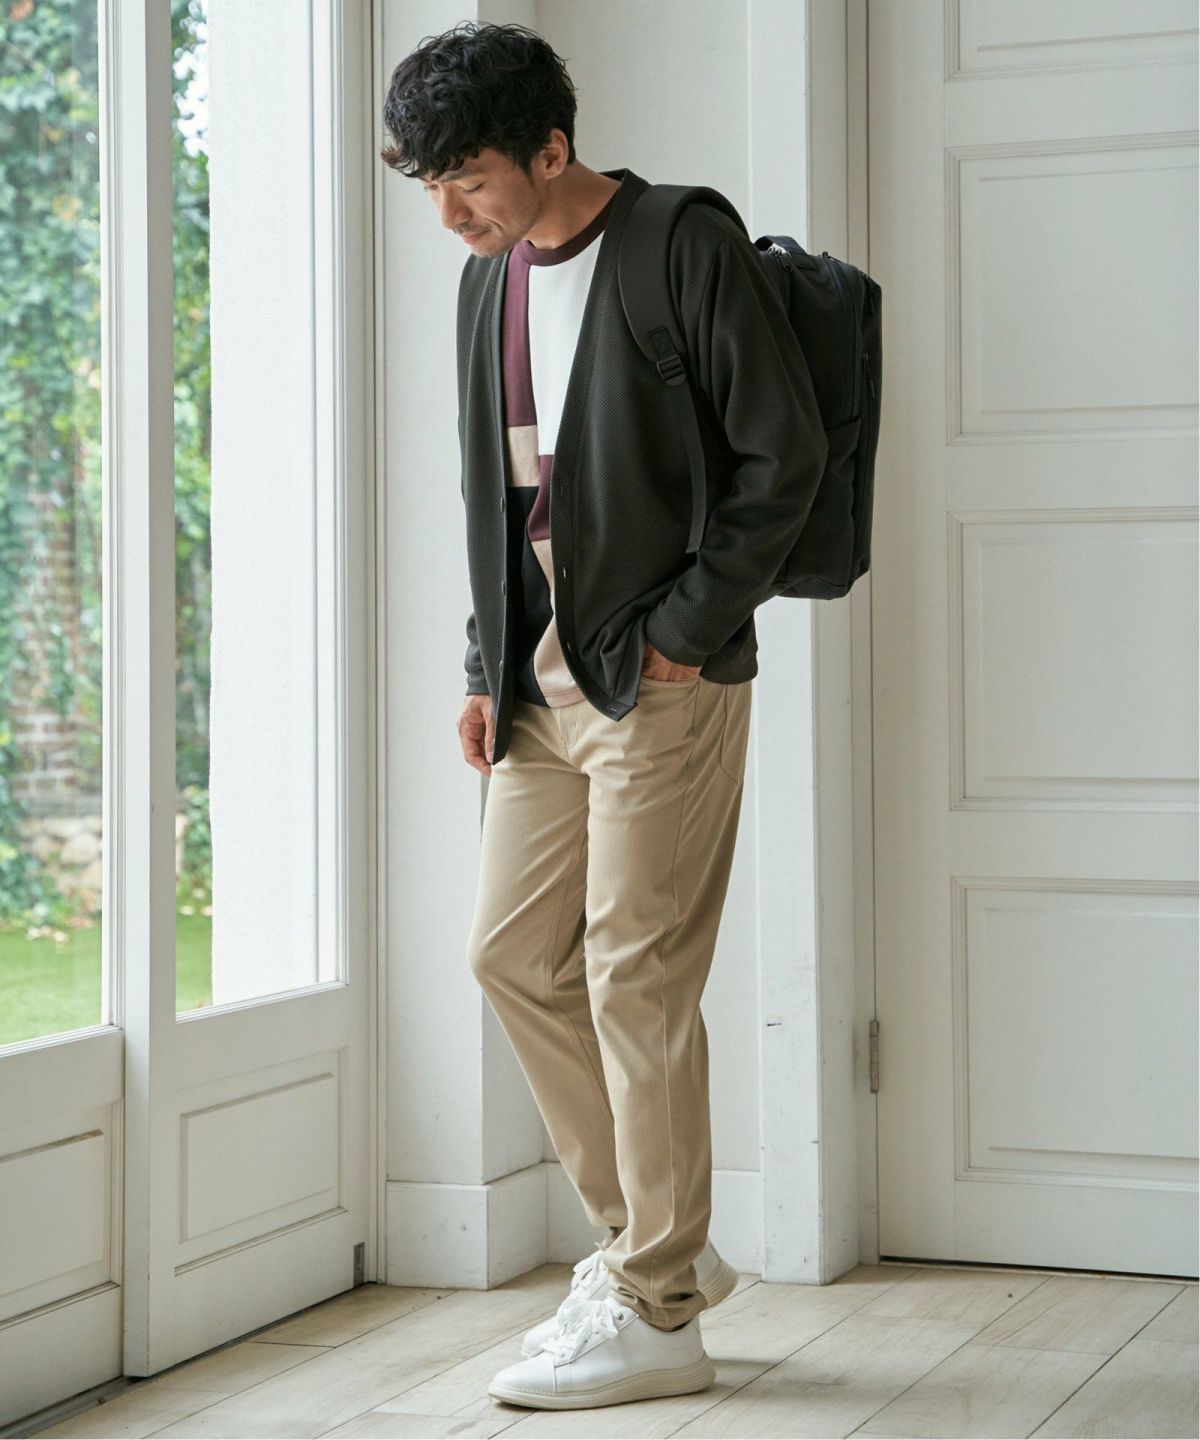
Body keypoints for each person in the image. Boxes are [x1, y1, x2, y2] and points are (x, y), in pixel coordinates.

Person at [381, 20, 827, 1412]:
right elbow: (498, 493)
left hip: (659, 679)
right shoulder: (488, 283)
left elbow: (784, 454)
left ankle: (656, 1306)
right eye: (432, 187)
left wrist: (690, 633)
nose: (451, 215)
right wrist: (483, 663)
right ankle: (651, 1249)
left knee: (638, 976)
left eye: (467, 180)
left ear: (551, 148)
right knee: (513, 957)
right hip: (540, 685)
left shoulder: (680, 241)